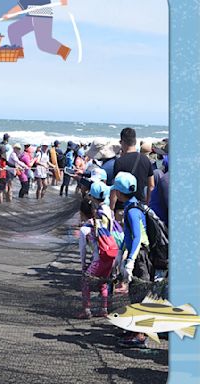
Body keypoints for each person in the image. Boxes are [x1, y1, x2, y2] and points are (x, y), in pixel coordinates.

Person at [112, 172, 152, 348]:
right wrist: (121, 253)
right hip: (135, 254)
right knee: (134, 292)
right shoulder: (133, 205)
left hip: (140, 255)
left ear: (120, 193)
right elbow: (127, 236)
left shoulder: (132, 211)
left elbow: (137, 237)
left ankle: (140, 335)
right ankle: (134, 328)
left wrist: (130, 261)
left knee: (140, 293)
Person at [77, 182, 115, 319]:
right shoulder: (108, 211)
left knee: (86, 281)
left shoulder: (93, 221)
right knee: (103, 282)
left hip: (99, 256)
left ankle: (87, 310)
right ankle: (104, 309)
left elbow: (85, 249)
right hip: (110, 254)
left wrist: (83, 266)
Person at [110, 128, 154, 222]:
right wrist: (147, 204)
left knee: (121, 235)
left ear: (122, 142)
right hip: (140, 206)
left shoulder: (119, 162)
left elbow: (115, 187)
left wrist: (111, 208)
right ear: (135, 141)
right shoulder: (146, 160)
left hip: (123, 207)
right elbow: (151, 186)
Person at [3, 0, 71, 60]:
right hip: (31, 14)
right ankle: (18, 53)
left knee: (44, 43)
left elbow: (21, 6)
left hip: (42, 15)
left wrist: (9, 14)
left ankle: (65, 51)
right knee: (14, 30)